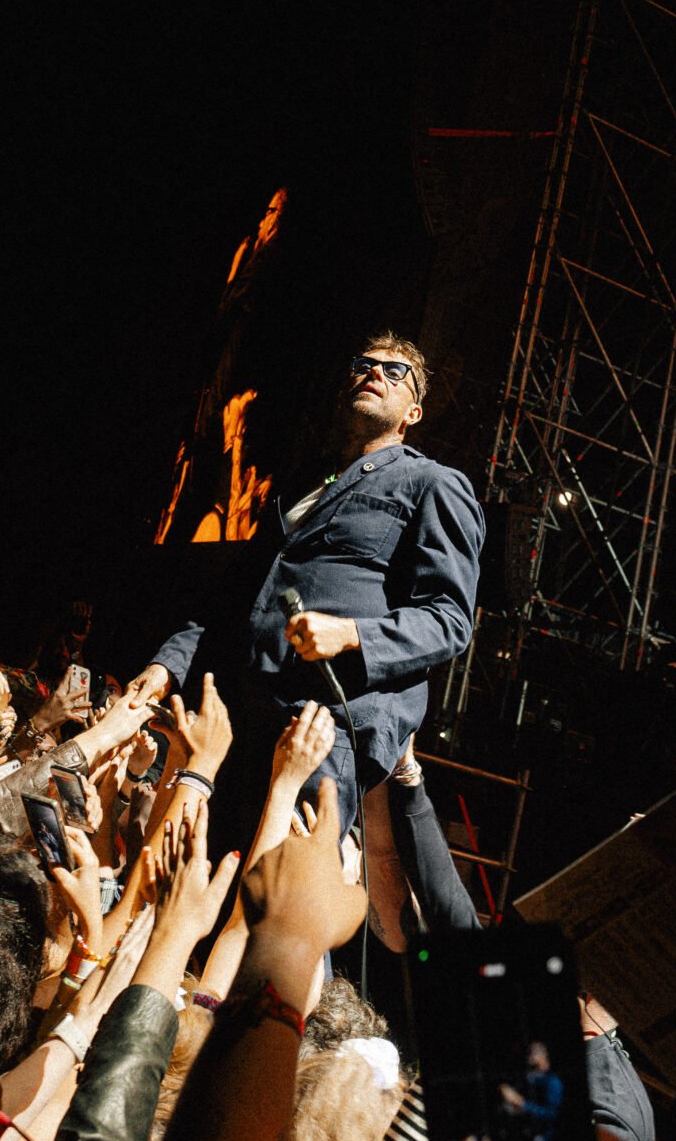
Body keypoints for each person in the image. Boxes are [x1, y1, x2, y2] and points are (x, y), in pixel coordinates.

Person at [128, 332, 484, 952]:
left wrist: (351, 635)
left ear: (414, 411)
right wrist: (165, 666)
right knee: (191, 892)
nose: (374, 372)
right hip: (238, 716)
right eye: (362, 363)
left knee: (270, 912)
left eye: (395, 371)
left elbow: (449, 620)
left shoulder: (433, 484)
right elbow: (230, 603)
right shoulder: (297, 488)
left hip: (321, 727)